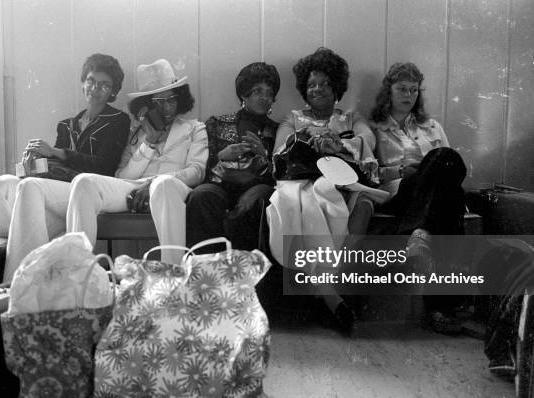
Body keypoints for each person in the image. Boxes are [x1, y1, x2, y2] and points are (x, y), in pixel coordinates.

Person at [0, 53, 129, 282]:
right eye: (91, 80)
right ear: (83, 83)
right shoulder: (67, 124)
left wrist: (56, 152)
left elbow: (105, 166)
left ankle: (18, 284)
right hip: (60, 188)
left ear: (113, 91)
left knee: (30, 187)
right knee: (2, 184)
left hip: (86, 191)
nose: (95, 88)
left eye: (104, 85)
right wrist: (35, 160)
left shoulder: (119, 120)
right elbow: (56, 166)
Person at [266, 48, 378, 335]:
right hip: (298, 181)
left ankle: (323, 293)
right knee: (291, 197)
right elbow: (280, 151)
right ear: (304, 88)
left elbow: (368, 141)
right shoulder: (292, 119)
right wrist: (305, 138)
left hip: (339, 183)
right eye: (312, 84)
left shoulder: (350, 119)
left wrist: (339, 144)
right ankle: (328, 293)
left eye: (325, 83)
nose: (317, 89)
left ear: (337, 87)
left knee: (321, 191)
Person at [66, 59, 208, 265]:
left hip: (173, 189)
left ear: (180, 100)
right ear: (147, 106)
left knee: (162, 184)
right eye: (158, 101)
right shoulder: (137, 134)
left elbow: (197, 171)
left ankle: (173, 272)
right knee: (83, 182)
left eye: (171, 99)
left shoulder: (195, 128)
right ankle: (78, 272)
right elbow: (123, 177)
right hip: (135, 191)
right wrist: (148, 142)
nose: (166, 107)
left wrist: (153, 182)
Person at [369, 62, 468, 333]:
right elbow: (368, 172)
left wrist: (430, 169)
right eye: (402, 88)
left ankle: (419, 233)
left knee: (444, 163)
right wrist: (402, 169)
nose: (408, 95)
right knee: (444, 176)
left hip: (432, 196)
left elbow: (452, 167)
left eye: (414, 90)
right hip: (400, 191)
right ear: (388, 91)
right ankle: (441, 307)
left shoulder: (431, 125)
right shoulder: (373, 127)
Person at [186, 62, 280, 251]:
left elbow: (283, 175)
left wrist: (265, 154)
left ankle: (247, 273)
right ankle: (206, 270)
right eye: (257, 91)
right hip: (221, 187)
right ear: (244, 94)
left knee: (258, 201)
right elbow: (201, 167)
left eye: (269, 93)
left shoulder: (278, 130)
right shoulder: (217, 123)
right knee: (201, 195)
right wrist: (222, 155)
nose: (264, 98)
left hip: (257, 188)